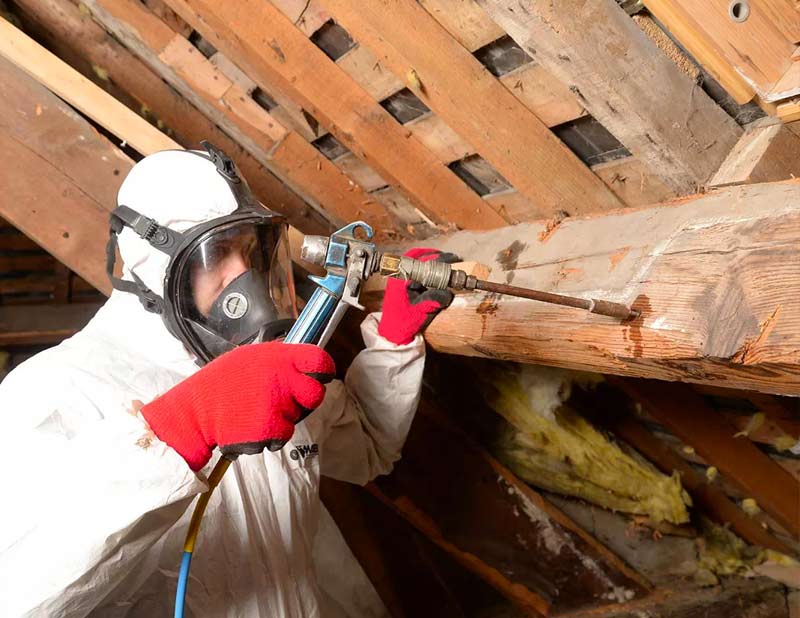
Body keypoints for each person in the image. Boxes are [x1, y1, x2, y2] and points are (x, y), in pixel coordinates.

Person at [0, 144, 455, 617]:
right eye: (217, 253)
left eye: (247, 250)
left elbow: (365, 451)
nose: (244, 276)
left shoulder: (260, 365)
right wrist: (173, 434)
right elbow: (18, 597)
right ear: (152, 268)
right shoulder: (55, 390)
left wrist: (393, 343)